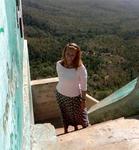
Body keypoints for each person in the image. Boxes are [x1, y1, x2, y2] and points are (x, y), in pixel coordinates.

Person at [55, 42, 89, 134]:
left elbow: (83, 86)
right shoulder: (58, 64)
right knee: (65, 115)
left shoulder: (80, 68)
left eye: (72, 55)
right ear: (64, 53)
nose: (69, 57)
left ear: (76, 55)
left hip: (75, 97)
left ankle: (83, 134)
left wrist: (83, 100)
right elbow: (62, 79)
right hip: (60, 95)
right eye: (68, 54)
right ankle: (66, 132)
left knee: (82, 119)